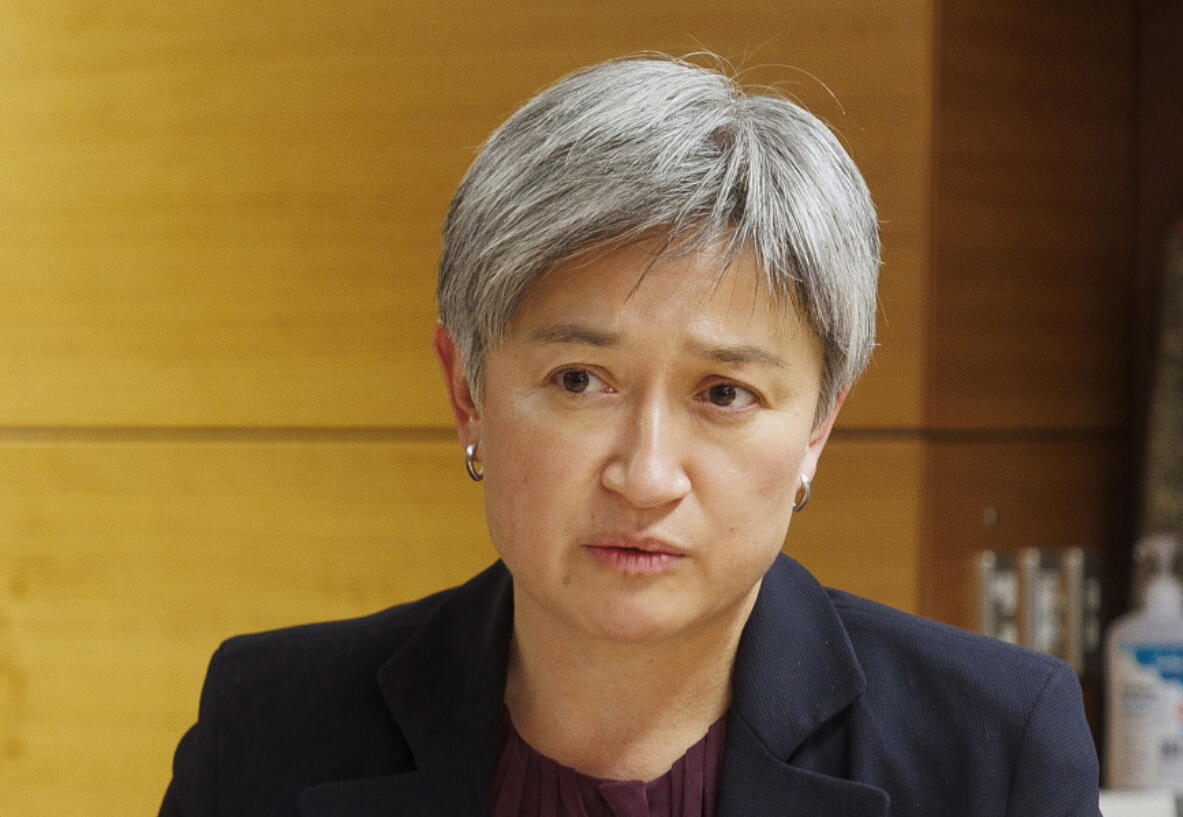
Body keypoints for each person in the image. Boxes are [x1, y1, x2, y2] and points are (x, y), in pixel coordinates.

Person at [159, 54, 1100, 817]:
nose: (647, 476)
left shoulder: (993, 748)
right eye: (580, 381)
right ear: (467, 391)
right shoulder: (267, 725)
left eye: (725, 393)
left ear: (819, 424)